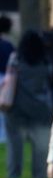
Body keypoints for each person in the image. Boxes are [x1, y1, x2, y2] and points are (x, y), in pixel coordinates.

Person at [3, 30, 53, 178]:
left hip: (16, 107)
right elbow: (51, 82)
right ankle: (40, 175)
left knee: (15, 145)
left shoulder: (16, 59)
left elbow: (9, 79)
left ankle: (14, 174)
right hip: (40, 108)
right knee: (40, 145)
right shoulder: (46, 61)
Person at [0, 15, 14, 144]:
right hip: (5, 79)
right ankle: (3, 137)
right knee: (3, 110)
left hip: (4, 78)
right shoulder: (8, 45)